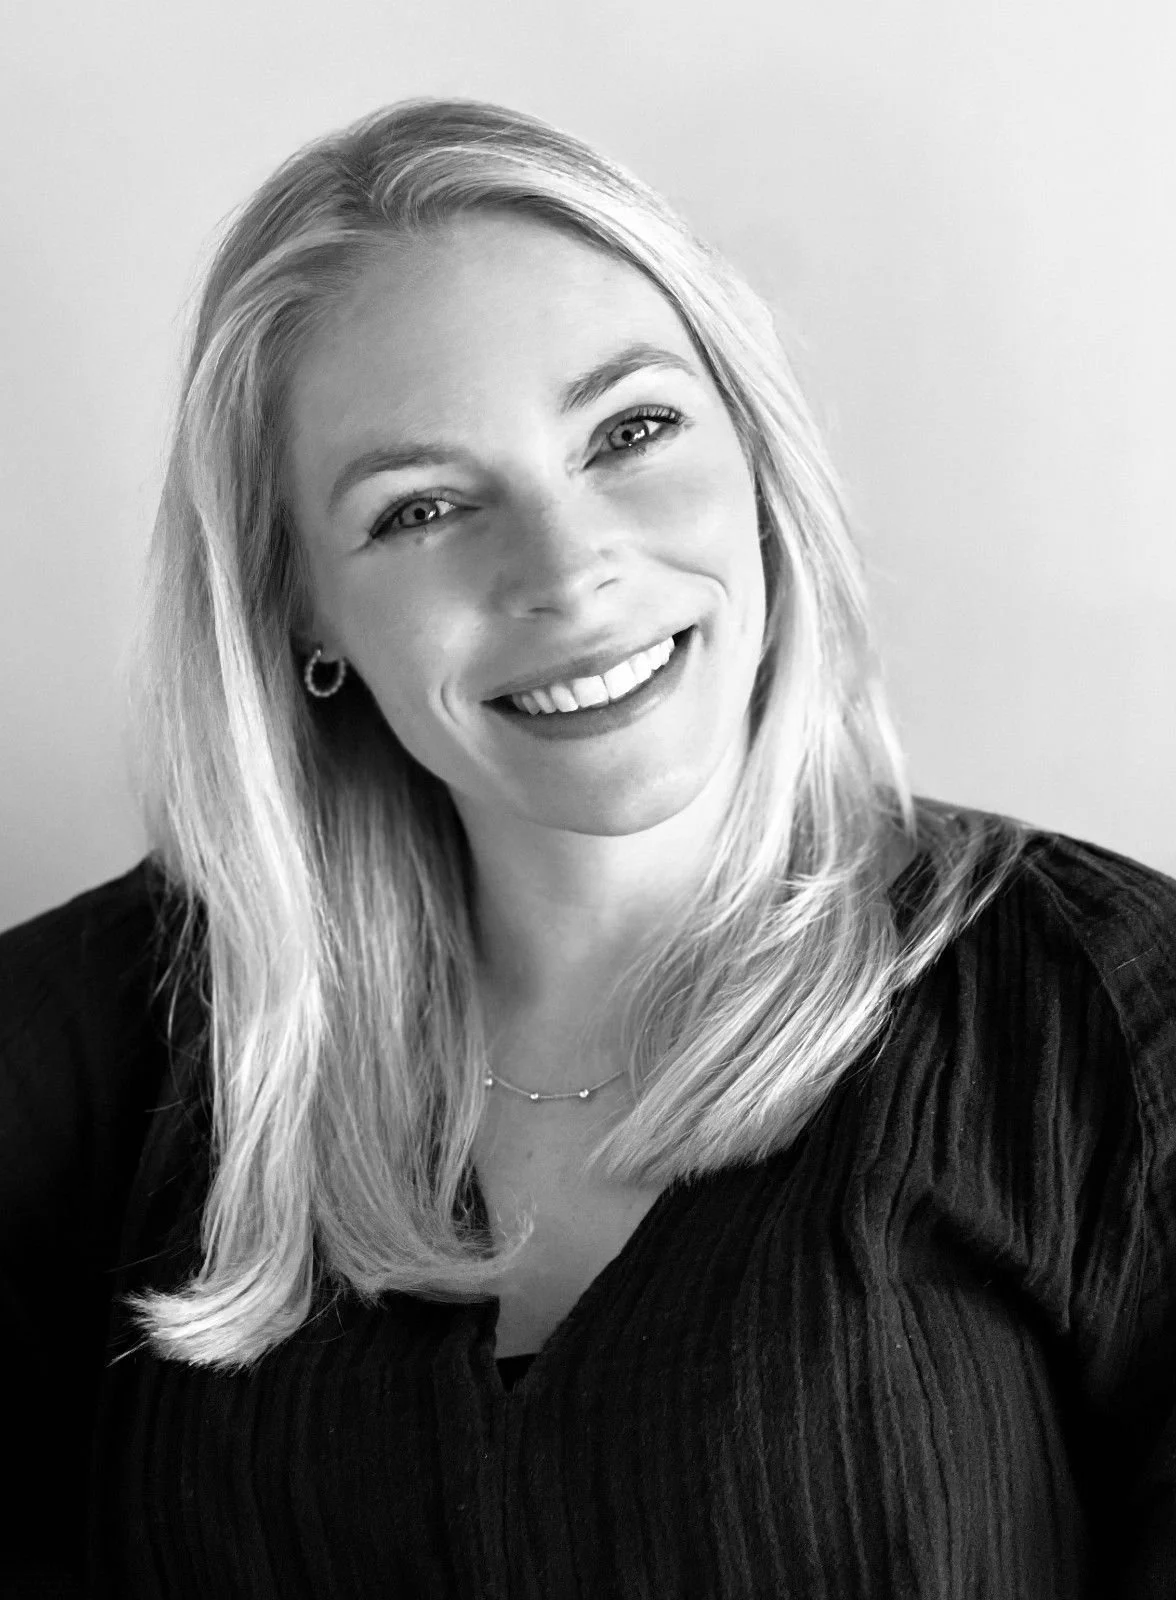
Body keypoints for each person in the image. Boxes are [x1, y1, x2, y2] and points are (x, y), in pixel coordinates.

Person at [1, 96, 1173, 1600]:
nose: (567, 574)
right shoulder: (114, 1044)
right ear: (299, 611)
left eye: (630, 431)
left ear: (754, 454)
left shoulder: (1108, 1021)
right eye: (421, 507)